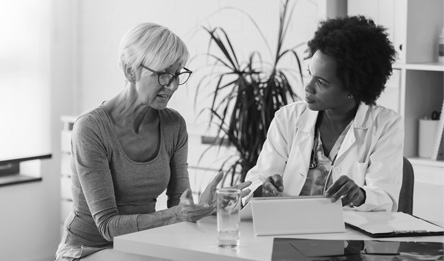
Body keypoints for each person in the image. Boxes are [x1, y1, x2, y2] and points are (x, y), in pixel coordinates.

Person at [55, 22, 251, 261]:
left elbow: (179, 204)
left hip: (142, 246)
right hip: (88, 249)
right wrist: (176, 215)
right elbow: (107, 226)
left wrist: (200, 207)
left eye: (178, 74)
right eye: (163, 75)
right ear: (130, 70)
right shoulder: (91, 128)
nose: (173, 86)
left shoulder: (173, 125)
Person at [243, 15, 402, 212]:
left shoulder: (385, 125)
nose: (308, 87)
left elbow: (385, 198)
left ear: (353, 88)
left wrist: (361, 195)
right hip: (287, 230)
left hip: (350, 238)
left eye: (322, 83)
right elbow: (255, 180)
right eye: (311, 75)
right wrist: (263, 187)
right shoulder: (287, 118)